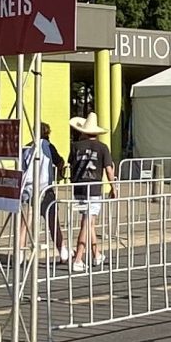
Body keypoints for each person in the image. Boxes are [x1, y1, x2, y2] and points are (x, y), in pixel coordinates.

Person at [67, 112, 116, 272]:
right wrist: (113, 187)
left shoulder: (75, 146)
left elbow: (70, 165)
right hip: (94, 188)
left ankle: (96, 254)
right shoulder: (102, 148)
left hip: (79, 187)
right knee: (87, 222)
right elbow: (109, 170)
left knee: (89, 221)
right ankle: (78, 258)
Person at [21, 122, 68, 263]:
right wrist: (59, 174)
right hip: (45, 188)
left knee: (24, 224)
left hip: (28, 188)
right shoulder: (48, 146)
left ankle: (20, 254)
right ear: (47, 133)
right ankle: (63, 251)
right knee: (53, 222)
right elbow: (60, 162)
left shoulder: (27, 147)